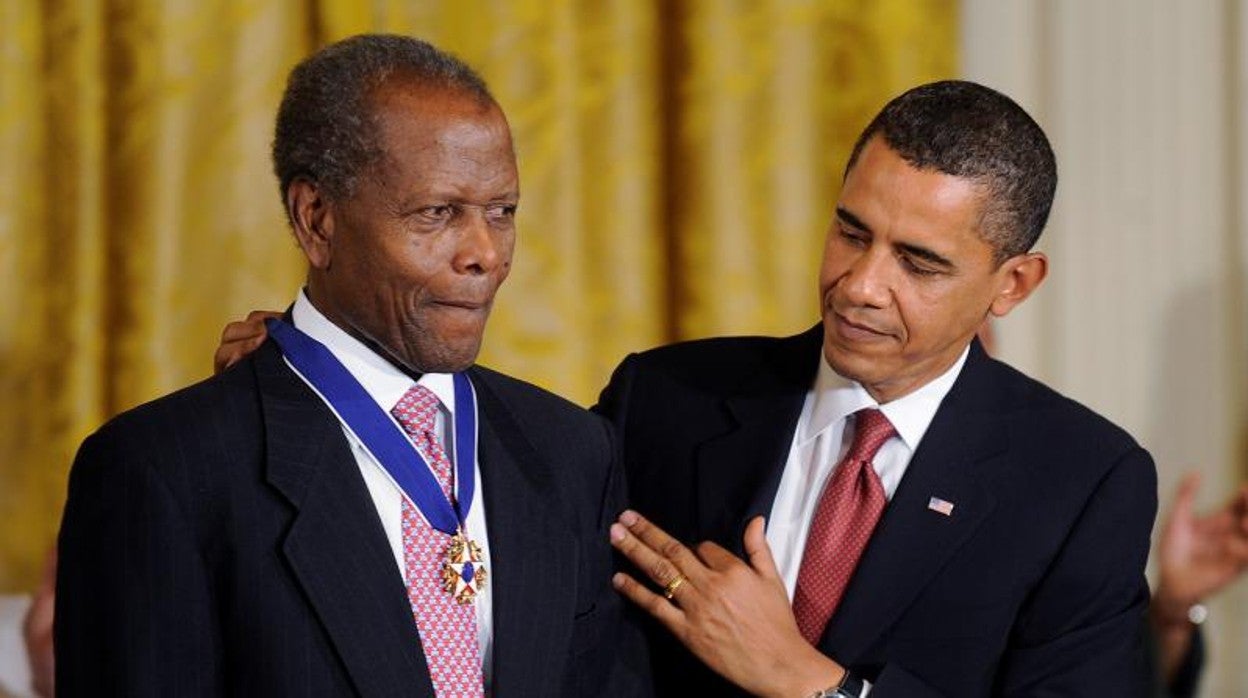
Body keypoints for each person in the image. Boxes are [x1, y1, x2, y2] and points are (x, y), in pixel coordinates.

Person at [55, 34, 648, 696]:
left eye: (502, 212)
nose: (485, 253)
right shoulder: (163, 472)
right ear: (317, 220)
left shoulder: (572, 452)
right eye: (439, 213)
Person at [596, 80, 1158, 696]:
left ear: (1014, 284)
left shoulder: (1082, 483)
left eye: (919, 264)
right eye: (852, 234)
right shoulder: (663, 399)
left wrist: (811, 681)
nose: (861, 285)